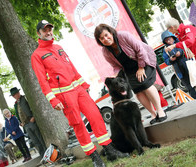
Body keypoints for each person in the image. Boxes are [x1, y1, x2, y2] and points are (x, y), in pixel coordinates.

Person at [31, 20, 128, 167]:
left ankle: (110, 151)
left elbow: (71, 67)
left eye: (50, 29)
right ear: (39, 33)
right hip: (63, 95)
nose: (49, 32)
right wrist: (53, 100)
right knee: (78, 125)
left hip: (79, 90)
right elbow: (42, 80)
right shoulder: (37, 55)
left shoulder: (59, 48)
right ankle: (95, 157)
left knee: (96, 116)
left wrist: (83, 83)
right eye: (45, 30)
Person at [94, 23, 167, 125]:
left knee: (146, 84)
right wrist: (116, 75)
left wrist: (141, 67)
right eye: (101, 38)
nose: (105, 39)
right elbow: (115, 66)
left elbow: (140, 50)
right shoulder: (105, 51)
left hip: (144, 60)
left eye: (106, 35)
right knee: (138, 91)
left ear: (111, 32)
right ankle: (153, 113)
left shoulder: (123, 36)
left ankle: (160, 110)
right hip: (129, 70)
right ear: (99, 41)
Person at [161, 30, 196, 99]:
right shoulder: (165, 49)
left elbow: (188, 48)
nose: (168, 41)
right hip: (179, 70)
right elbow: (166, 61)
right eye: (166, 40)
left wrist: (180, 52)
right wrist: (170, 60)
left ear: (172, 37)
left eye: (169, 39)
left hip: (189, 65)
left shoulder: (180, 41)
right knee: (189, 87)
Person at [10, 87, 46, 156]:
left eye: (16, 93)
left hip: (31, 121)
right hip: (26, 125)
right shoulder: (15, 104)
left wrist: (33, 116)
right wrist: (20, 122)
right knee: (35, 141)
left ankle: (47, 154)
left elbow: (33, 106)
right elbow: (17, 114)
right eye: (14, 95)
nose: (16, 95)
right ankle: (42, 156)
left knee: (40, 138)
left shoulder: (25, 98)